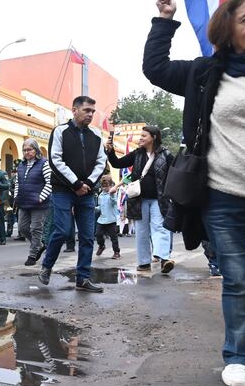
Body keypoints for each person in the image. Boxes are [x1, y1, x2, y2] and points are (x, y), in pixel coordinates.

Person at [144, 0, 245, 386]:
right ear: (227, 31)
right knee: (240, 279)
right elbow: (155, 68)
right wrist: (164, 20)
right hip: (225, 199)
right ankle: (240, 357)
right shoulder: (205, 72)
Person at [38, 96, 106, 293]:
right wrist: (75, 183)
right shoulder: (60, 131)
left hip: (87, 192)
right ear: (74, 110)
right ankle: (47, 266)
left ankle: (83, 278)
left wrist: (88, 183)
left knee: (87, 236)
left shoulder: (96, 135)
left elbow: (101, 162)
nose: (90, 114)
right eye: (86, 110)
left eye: (93, 111)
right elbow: (55, 160)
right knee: (62, 230)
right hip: (63, 190)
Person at [105, 126, 173, 272]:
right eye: (140, 135)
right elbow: (117, 163)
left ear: (154, 137)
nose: (140, 138)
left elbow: (174, 173)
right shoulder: (137, 154)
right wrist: (110, 151)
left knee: (160, 227)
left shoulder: (166, 154)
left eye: (144, 135)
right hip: (139, 198)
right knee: (142, 230)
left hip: (159, 199)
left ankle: (164, 258)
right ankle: (143, 262)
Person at [15, 139, 51, 266]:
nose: (27, 152)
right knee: (22, 228)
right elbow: (17, 183)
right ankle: (40, 244)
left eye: (29, 149)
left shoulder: (44, 163)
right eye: (24, 150)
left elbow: (49, 182)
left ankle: (33, 254)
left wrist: (41, 197)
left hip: (39, 203)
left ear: (36, 150)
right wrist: (16, 197)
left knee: (36, 229)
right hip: (23, 201)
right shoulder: (21, 165)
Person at [95, 175, 121, 259]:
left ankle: (116, 252)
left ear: (110, 185)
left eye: (106, 186)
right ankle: (101, 246)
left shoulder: (113, 194)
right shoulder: (100, 196)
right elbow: (100, 207)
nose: (104, 188)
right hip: (101, 220)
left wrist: (112, 194)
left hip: (111, 220)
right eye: (103, 187)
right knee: (98, 234)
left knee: (113, 238)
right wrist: (94, 209)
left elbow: (114, 202)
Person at [8, 158, 22, 239]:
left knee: (21, 217)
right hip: (12, 200)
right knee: (10, 216)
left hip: (21, 200)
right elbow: (10, 187)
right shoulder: (13, 178)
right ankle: (9, 231)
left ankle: (22, 234)